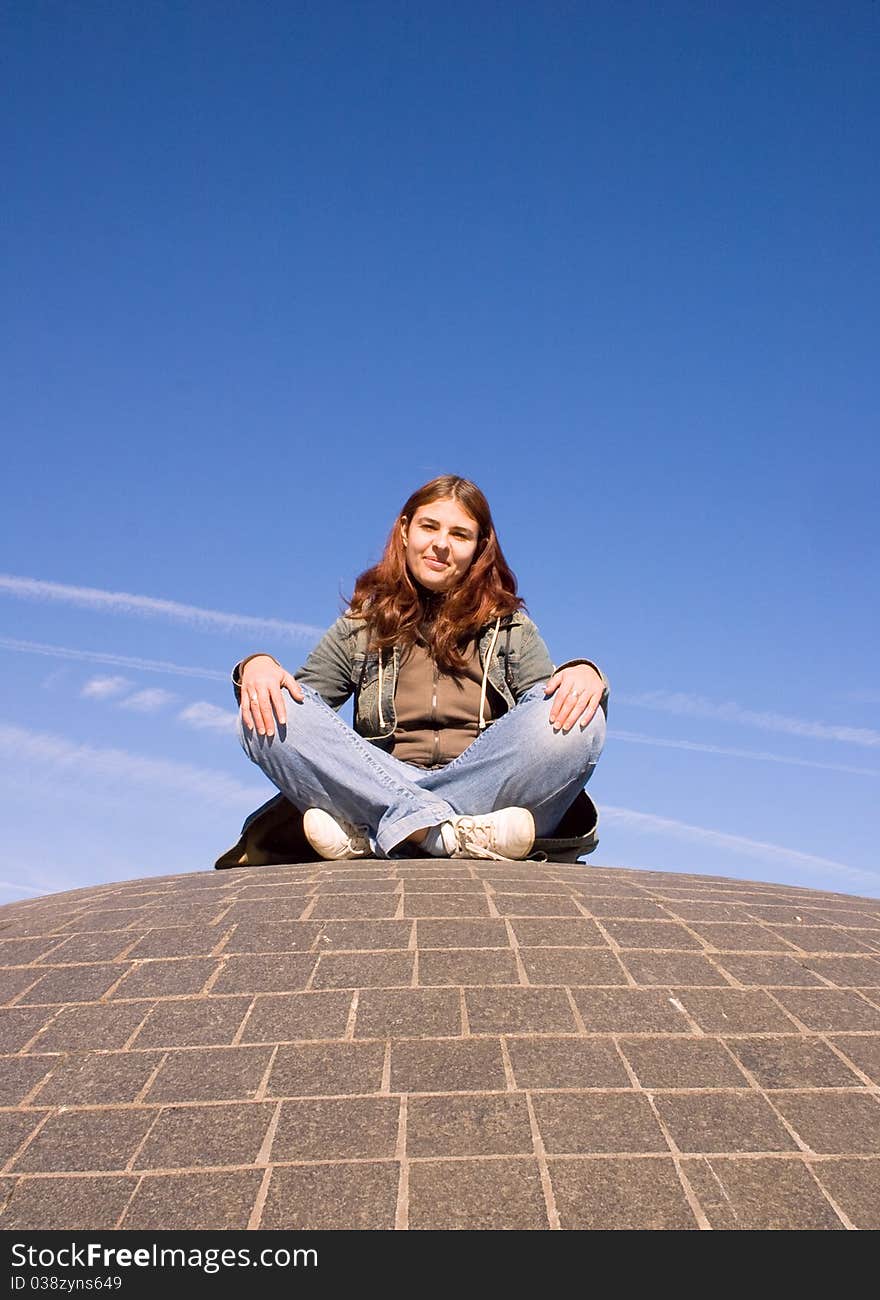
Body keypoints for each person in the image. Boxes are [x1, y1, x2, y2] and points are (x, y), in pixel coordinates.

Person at [218, 475, 608, 867]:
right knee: (266, 710)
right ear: (405, 531)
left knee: (581, 722)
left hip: (485, 789)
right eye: (429, 527)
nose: (441, 544)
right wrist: (257, 666)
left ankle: (383, 833)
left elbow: (540, 715)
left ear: (479, 548)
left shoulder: (510, 627)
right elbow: (303, 705)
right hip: (381, 780)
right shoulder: (362, 625)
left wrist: (583, 674)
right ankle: (446, 835)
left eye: (459, 534)